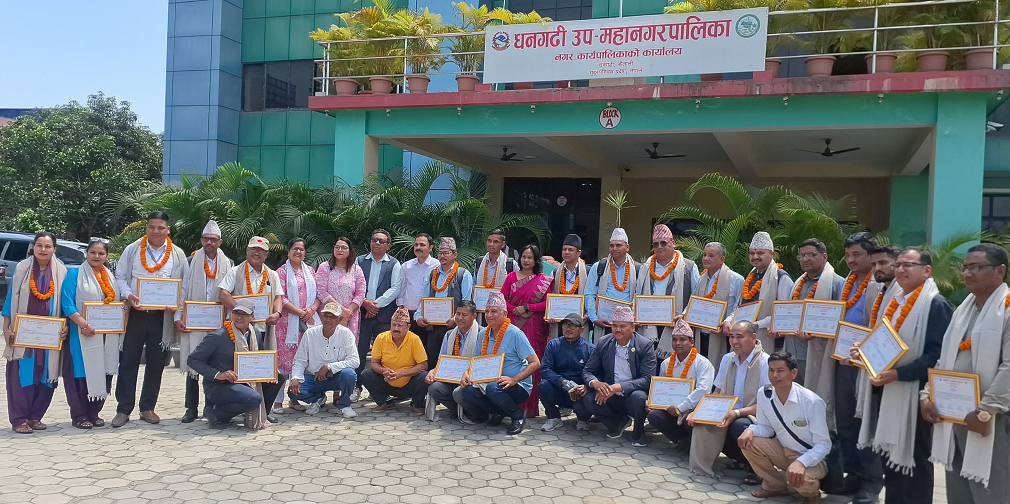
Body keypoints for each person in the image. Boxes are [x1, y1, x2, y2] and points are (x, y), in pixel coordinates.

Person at [852, 247, 952, 504]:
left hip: (916, 395)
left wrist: (898, 374)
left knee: (915, 463)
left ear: (926, 271)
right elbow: (888, 342)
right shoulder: (897, 301)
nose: (901, 270)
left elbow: (937, 357)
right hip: (889, 391)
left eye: (908, 265)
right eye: (899, 265)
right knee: (891, 461)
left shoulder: (935, 304)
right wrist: (864, 352)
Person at [922, 243, 1010, 504]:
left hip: (992, 419)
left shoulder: (1006, 310)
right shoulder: (963, 310)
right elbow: (945, 359)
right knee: (959, 490)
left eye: (977, 267)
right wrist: (927, 395)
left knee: (992, 490)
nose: (968, 273)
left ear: (1000, 271)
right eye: (966, 267)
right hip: (955, 414)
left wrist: (985, 411)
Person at [113, 211, 189, 428]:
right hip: (136, 314)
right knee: (128, 362)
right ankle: (123, 409)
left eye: (160, 227)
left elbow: (183, 286)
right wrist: (129, 295)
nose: (156, 231)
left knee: (156, 363)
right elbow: (120, 276)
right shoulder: (133, 249)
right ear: (146, 228)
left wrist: (176, 308)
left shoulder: (178, 255)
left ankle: (147, 407)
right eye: (152, 227)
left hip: (161, 318)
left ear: (168, 230)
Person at [832, 232, 885, 502]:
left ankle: (871, 484)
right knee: (845, 419)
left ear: (870, 256)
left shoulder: (880, 285)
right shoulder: (847, 283)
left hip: (867, 364)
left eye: (857, 255)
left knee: (866, 422)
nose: (851, 260)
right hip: (843, 361)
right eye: (848, 255)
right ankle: (852, 475)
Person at [739, 351, 831, 503]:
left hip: (812, 458)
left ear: (793, 373)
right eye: (771, 370)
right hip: (783, 451)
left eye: (780, 371)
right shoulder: (765, 394)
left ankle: (812, 495)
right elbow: (766, 428)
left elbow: (823, 444)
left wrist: (801, 462)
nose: (775, 375)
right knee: (749, 442)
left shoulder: (812, 402)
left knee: (802, 480)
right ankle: (775, 486)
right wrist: (750, 430)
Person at [3, 233, 69, 434]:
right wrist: (6, 327)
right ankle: (19, 419)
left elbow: (65, 302)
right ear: (33, 247)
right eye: (39, 245)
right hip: (24, 334)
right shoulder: (22, 268)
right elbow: (11, 298)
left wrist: (65, 326)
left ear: (54, 249)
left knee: (47, 375)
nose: (43, 249)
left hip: (50, 336)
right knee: (22, 375)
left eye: (48, 246)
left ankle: (35, 417)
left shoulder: (61, 271)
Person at [187, 299, 286, 429]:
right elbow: (193, 360)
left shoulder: (255, 334)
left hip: (246, 381)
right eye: (236, 313)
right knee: (254, 398)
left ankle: (262, 414)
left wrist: (269, 371)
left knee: (280, 376)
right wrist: (218, 374)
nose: (239, 317)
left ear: (252, 317)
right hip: (220, 385)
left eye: (244, 314)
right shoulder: (218, 336)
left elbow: (259, 358)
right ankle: (216, 413)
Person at [689, 320, 770, 481]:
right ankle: (740, 460)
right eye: (731, 337)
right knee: (699, 421)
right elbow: (718, 391)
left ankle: (759, 469)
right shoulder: (728, 359)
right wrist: (700, 412)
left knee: (739, 425)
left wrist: (737, 413)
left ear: (754, 338)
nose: (734, 341)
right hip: (727, 410)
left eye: (739, 337)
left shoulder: (765, 362)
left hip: (754, 415)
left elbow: (767, 404)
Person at [458, 292, 541, 435]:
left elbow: (535, 363)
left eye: (494, 311)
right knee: (466, 391)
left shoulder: (515, 334)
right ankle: (500, 412)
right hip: (490, 382)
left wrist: (514, 379)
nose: (489, 315)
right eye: (487, 311)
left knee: (493, 388)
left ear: (505, 314)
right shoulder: (483, 334)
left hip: (516, 385)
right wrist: (466, 373)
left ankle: (518, 416)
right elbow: (475, 361)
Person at [176, 220, 234, 423]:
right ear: (201, 240)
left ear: (220, 242)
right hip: (194, 320)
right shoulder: (191, 261)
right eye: (205, 239)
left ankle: (210, 407)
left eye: (213, 239)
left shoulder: (229, 263)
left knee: (214, 365)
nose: (209, 242)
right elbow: (182, 290)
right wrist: (178, 316)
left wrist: (229, 320)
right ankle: (190, 409)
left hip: (218, 322)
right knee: (194, 363)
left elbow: (231, 292)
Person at [60, 238, 120, 429]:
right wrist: (83, 324)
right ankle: (79, 415)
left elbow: (116, 304)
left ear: (106, 256)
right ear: (86, 253)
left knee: (103, 370)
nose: (96, 256)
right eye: (93, 252)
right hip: (81, 334)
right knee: (80, 372)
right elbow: (67, 303)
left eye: (101, 253)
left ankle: (94, 413)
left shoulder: (111, 277)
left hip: (105, 335)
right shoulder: (74, 275)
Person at [577, 305, 657, 446]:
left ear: (633, 328)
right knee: (589, 399)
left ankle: (639, 433)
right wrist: (595, 383)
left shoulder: (645, 345)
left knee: (639, 397)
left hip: (632, 393)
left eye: (622, 326)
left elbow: (648, 379)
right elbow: (587, 371)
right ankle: (617, 423)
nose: (618, 329)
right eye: (615, 325)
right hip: (610, 393)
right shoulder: (604, 342)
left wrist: (618, 387)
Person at [784, 239, 844, 400]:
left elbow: (841, 320)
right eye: (802, 256)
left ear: (824, 256)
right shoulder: (798, 283)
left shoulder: (837, 283)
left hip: (818, 352)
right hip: (792, 352)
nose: (805, 259)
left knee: (815, 398)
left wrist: (818, 332)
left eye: (810, 255)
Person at [647, 318, 715, 452]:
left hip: (694, 409)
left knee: (689, 420)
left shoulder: (702, 363)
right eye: (674, 340)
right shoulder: (666, 363)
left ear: (692, 342)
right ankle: (681, 440)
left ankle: (692, 443)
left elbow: (703, 390)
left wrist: (681, 408)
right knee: (654, 416)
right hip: (671, 408)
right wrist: (653, 402)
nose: (678, 343)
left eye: (682, 340)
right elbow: (661, 388)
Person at [636, 224, 700, 364]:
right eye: (656, 244)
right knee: (649, 362)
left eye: (664, 243)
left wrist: (683, 315)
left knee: (673, 364)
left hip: (676, 325)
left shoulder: (688, 267)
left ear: (673, 243)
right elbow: (637, 294)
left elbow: (696, 297)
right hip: (649, 326)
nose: (660, 247)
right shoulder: (645, 267)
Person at [502, 244, 552, 418]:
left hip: (534, 325)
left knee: (532, 362)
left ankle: (529, 408)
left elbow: (548, 303)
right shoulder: (511, 277)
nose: (526, 260)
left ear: (536, 260)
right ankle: (509, 405)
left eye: (530, 257)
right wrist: (514, 309)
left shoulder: (543, 280)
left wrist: (527, 307)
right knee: (513, 360)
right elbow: (502, 298)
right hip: (513, 323)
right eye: (524, 256)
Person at [315, 237, 366, 400]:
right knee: (325, 349)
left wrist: (348, 312)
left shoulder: (356, 270)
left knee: (344, 351)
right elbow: (321, 291)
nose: (340, 250)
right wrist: (341, 311)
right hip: (328, 316)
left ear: (350, 251)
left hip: (351, 317)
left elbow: (361, 293)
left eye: (344, 247)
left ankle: (339, 392)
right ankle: (321, 391)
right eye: (337, 247)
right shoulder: (324, 268)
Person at [274, 237, 321, 414]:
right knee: (283, 364)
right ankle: (277, 402)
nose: (298, 251)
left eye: (301, 249)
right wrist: (301, 313)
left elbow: (319, 294)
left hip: (308, 322)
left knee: (303, 361)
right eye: (295, 248)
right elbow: (281, 297)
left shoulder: (311, 271)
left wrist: (312, 309)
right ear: (288, 252)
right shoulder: (281, 272)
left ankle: (295, 399)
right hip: (287, 326)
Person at [288, 302, 358, 418]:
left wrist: (329, 367)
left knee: (349, 374)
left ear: (340, 319)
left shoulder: (346, 333)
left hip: (336, 377)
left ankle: (345, 405)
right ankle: (318, 398)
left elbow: (355, 360)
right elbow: (300, 359)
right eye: (325, 316)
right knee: (293, 391)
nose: (328, 320)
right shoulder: (310, 333)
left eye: (333, 317)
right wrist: (295, 378)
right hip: (314, 378)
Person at [356, 229, 403, 397]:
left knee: (383, 353)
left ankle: (379, 389)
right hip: (362, 313)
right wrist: (365, 303)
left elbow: (395, 288)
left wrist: (375, 306)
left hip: (383, 316)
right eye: (374, 239)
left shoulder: (394, 263)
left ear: (388, 246)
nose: (377, 243)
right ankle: (356, 386)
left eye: (381, 241)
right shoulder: (359, 261)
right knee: (359, 350)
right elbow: (354, 284)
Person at [416, 237, 474, 369]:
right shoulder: (433, 274)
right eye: (440, 253)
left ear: (455, 255)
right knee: (432, 360)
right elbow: (424, 298)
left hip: (453, 326)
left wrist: (455, 319)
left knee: (451, 361)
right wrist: (418, 316)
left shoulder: (463, 274)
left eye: (446, 253)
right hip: (432, 326)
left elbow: (467, 302)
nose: (442, 256)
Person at [360, 307, 429, 414]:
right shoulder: (381, 338)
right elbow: (374, 363)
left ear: (408, 327)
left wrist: (401, 374)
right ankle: (385, 402)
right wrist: (383, 370)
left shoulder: (414, 339)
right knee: (366, 374)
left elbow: (423, 365)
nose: (396, 328)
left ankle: (416, 404)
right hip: (387, 380)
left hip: (409, 384)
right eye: (394, 325)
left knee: (424, 376)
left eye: (400, 325)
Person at [424, 300, 482, 422]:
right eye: (458, 314)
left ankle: (478, 412)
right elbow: (442, 361)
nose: (460, 318)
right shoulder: (449, 335)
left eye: (464, 315)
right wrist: (433, 371)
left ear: (474, 316)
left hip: (473, 381)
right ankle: (460, 410)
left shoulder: (482, 334)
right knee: (434, 388)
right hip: (452, 379)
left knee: (461, 391)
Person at [539, 313, 595, 432]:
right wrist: (563, 382)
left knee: (588, 401)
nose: (568, 329)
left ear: (581, 330)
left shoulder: (590, 349)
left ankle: (583, 419)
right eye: (565, 325)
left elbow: (595, 373)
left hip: (579, 391)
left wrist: (585, 387)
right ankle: (553, 417)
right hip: (560, 387)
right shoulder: (553, 345)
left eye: (572, 326)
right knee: (543, 385)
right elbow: (545, 370)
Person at [739, 232, 793, 352]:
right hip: (748, 337)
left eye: (760, 253)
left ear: (772, 254)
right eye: (752, 253)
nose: (755, 257)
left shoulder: (781, 277)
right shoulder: (751, 276)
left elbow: (784, 313)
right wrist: (728, 321)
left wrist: (759, 324)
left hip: (771, 340)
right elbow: (740, 307)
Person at [217, 236, 285, 331]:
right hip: (239, 327)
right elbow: (223, 294)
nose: (256, 253)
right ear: (247, 251)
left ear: (266, 254)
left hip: (264, 327)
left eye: (260, 250)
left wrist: (277, 313)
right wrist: (242, 313)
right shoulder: (235, 272)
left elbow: (278, 298)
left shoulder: (273, 275)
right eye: (253, 249)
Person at [698, 242, 744, 372]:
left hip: (723, 335)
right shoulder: (701, 278)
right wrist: (685, 314)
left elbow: (739, 307)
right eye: (704, 255)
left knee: (721, 371)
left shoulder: (736, 279)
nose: (706, 258)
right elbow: (694, 302)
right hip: (701, 333)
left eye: (711, 255)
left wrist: (727, 321)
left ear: (722, 259)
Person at [585, 228, 638, 339]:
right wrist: (594, 318)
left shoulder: (637, 269)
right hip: (603, 323)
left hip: (627, 324)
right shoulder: (599, 267)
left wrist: (631, 318)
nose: (614, 248)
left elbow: (639, 296)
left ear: (627, 247)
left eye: (618, 245)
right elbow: (589, 294)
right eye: (612, 245)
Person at [547, 234, 588, 340]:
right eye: (564, 249)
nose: (566, 252)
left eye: (570, 250)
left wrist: (587, 315)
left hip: (580, 320)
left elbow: (592, 296)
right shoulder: (555, 273)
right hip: (560, 323)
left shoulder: (587, 272)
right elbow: (550, 296)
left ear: (578, 253)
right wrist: (550, 314)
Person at [397, 233, 439, 336]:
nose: (418, 247)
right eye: (416, 245)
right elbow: (402, 288)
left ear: (430, 248)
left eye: (422, 245)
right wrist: (401, 308)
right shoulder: (406, 266)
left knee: (425, 344)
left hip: (428, 315)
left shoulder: (437, 266)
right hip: (408, 314)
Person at [474, 228, 518, 294]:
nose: (491, 244)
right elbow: (474, 285)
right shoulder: (480, 262)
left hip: (503, 299)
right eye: (489, 241)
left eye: (496, 242)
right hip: (481, 299)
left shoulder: (510, 264)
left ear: (503, 244)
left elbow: (517, 287)